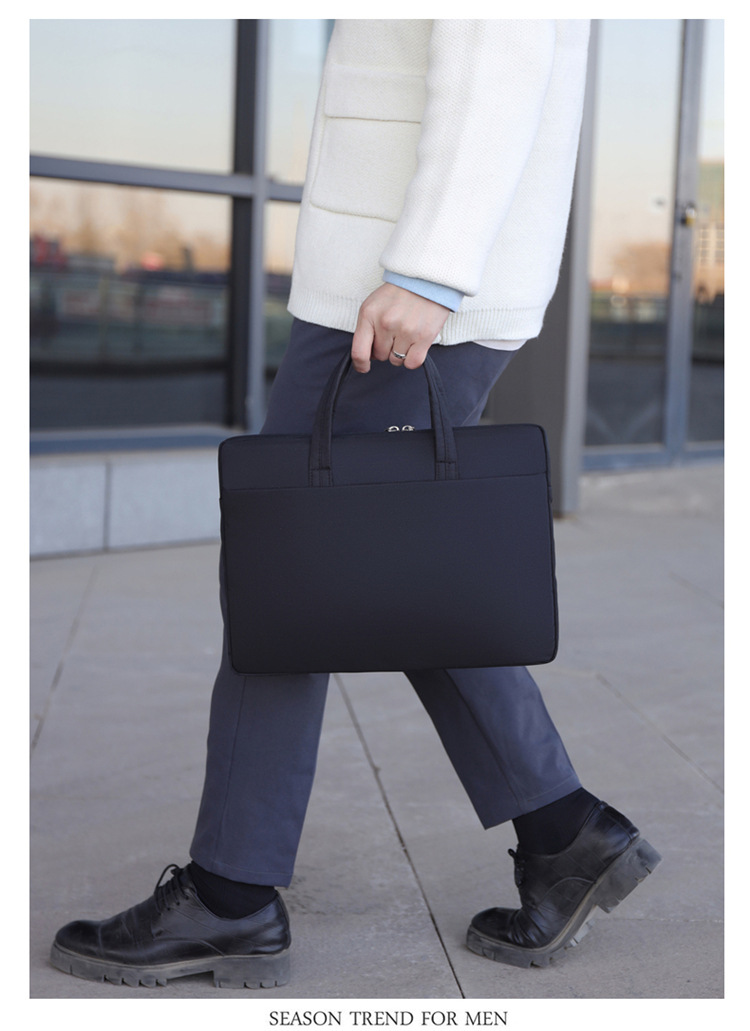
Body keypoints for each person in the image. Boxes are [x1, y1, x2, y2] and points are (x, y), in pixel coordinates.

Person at [50, 18, 660, 988]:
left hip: (403, 288)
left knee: (289, 574)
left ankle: (232, 893)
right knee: (378, 567)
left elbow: (498, 50)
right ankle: (564, 832)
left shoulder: (421, 277)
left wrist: (430, 269)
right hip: (392, 278)